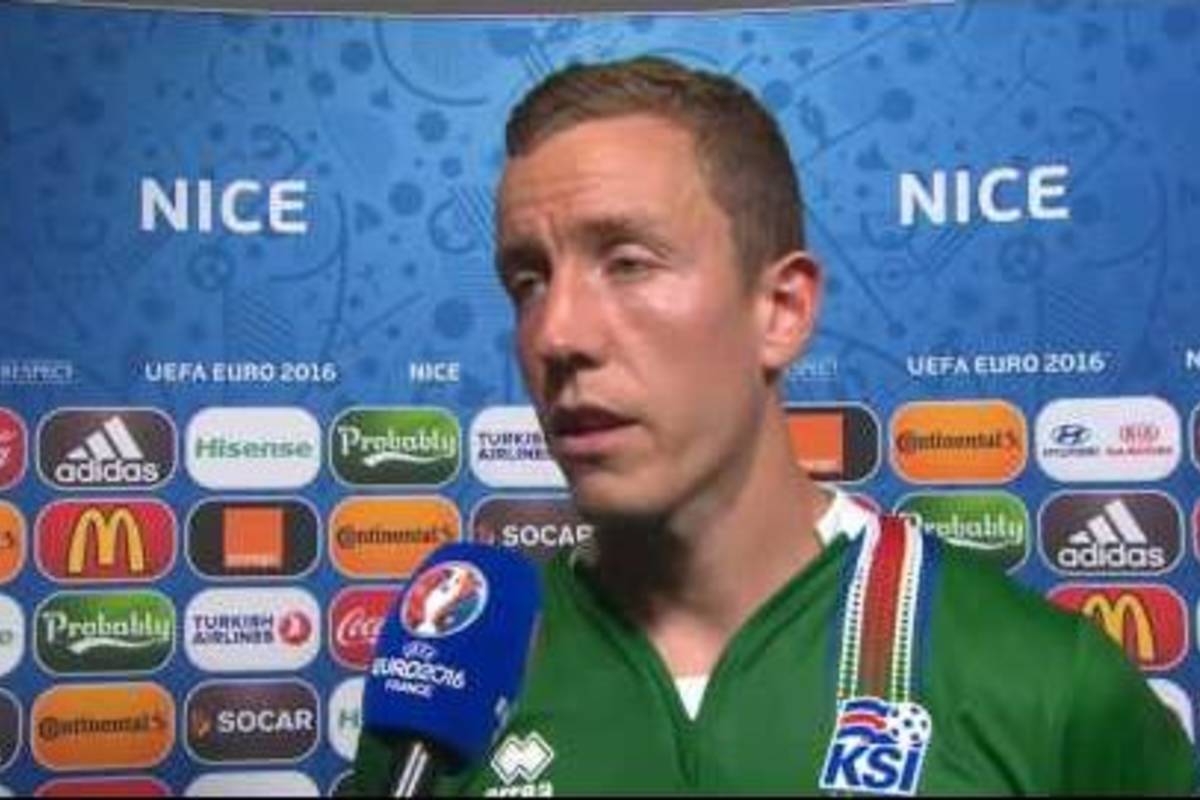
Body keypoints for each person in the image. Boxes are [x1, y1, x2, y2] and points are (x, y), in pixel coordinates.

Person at [353, 56, 1195, 795]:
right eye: (528, 281)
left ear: (781, 310)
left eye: (628, 263)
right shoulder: (447, 688)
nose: (557, 334)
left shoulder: (1045, 683)